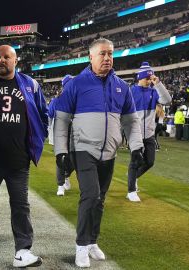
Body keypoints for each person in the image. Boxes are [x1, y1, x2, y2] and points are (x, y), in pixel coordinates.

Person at [54, 38, 144, 268]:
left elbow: (131, 122)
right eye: (102, 54)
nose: (107, 58)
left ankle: (93, 241)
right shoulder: (75, 84)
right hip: (83, 149)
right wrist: (61, 151)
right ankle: (81, 246)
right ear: (90, 57)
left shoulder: (122, 87)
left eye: (110, 54)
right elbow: (62, 120)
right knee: (90, 195)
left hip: (110, 152)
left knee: (100, 200)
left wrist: (136, 147)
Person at [0, 45, 48, 268]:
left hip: (18, 160)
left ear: (16, 61)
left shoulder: (30, 84)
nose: (2, 60)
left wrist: (40, 137)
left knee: (21, 205)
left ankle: (23, 250)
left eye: (7, 57)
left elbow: (44, 113)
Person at [126, 62, 172, 202]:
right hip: (135, 134)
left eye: (150, 78)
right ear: (140, 77)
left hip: (149, 134)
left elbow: (167, 100)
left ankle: (132, 178)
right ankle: (131, 190)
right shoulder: (131, 91)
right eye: (147, 78)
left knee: (149, 162)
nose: (149, 81)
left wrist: (158, 84)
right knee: (135, 160)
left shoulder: (153, 91)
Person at [48, 75, 74, 196]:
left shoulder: (78, 100)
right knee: (61, 157)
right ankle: (60, 185)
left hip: (75, 132)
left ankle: (66, 175)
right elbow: (51, 114)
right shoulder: (57, 100)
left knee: (75, 158)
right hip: (61, 132)